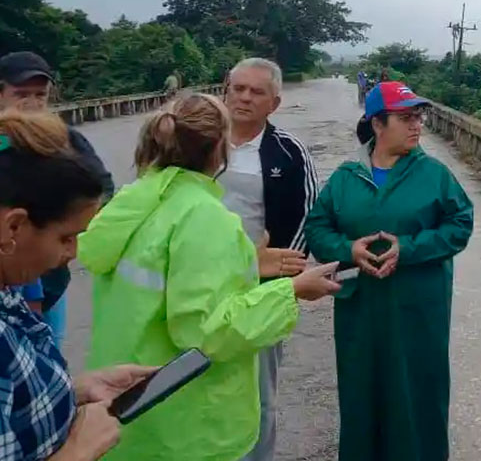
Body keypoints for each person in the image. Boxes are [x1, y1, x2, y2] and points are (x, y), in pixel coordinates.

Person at [78, 92, 341, 461]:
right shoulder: (206, 218)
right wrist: (291, 289)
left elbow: (166, 275)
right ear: (220, 148)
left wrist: (248, 260)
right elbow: (207, 333)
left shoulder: (135, 200)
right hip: (185, 422)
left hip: (127, 405)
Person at [0, 110, 156, 460]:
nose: (74, 253)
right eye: (66, 237)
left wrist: (72, 392)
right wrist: (78, 450)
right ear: (12, 227)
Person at [305, 81, 474, 461]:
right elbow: (317, 228)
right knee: (362, 397)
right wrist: (347, 249)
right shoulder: (348, 177)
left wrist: (409, 249)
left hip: (417, 311)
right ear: (377, 124)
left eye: (419, 116)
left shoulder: (434, 175)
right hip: (360, 311)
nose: (417, 125)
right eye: (406, 117)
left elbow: (459, 224)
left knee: (417, 398)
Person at [220, 58, 319, 461]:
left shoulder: (288, 153)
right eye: (237, 88)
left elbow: (308, 216)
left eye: (255, 91)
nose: (243, 97)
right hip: (201, 286)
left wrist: (280, 276)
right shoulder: (196, 143)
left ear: (274, 103)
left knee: (258, 392)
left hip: (262, 288)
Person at [0, 51, 115, 349]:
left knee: (48, 352)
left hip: (51, 279)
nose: (32, 104)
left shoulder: (66, 140)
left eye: (40, 95)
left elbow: (103, 190)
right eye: (21, 94)